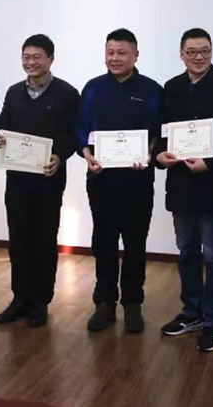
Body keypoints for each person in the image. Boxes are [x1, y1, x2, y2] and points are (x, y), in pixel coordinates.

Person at [156, 28, 213, 352]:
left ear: (212, 52)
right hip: (180, 184)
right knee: (187, 250)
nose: (198, 57)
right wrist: (160, 155)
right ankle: (191, 311)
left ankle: (212, 319)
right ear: (181, 54)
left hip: (212, 184)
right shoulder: (171, 87)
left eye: (204, 51)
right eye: (191, 51)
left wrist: (212, 162)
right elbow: (163, 132)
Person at [76, 28, 163, 334]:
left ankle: (133, 304)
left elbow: (159, 132)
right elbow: (81, 128)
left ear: (135, 55)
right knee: (104, 243)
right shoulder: (93, 88)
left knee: (136, 243)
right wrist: (87, 155)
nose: (115, 58)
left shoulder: (152, 90)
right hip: (101, 180)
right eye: (110, 52)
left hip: (138, 180)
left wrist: (149, 154)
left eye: (121, 53)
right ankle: (104, 303)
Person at [0, 34, 80, 327]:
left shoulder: (67, 93)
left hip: (48, 178)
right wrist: (1, 138)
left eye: (37, 57)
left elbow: (74, 133)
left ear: (50, 59)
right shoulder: (14, 92)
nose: (31, 62)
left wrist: (61, 155)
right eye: (26, 57)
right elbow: (4, 125)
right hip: (17, 179)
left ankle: (40, 301)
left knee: (44, 238)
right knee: (18, 238)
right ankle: (19, 298)